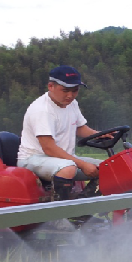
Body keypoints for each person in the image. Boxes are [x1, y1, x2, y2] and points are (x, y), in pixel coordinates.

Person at [18, 65, 110, 200]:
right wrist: (83, 165)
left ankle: (81, 213)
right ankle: (59, 218)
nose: (70, 95)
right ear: (51, 86)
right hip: (34, 159)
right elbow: (49, 148)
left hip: (63, 159)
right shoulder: (42, 110)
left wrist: (100, 134)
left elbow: (79, 128)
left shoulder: (72, 104)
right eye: (65, 90)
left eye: (75, 91)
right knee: (68, 169)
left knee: (108, 169)